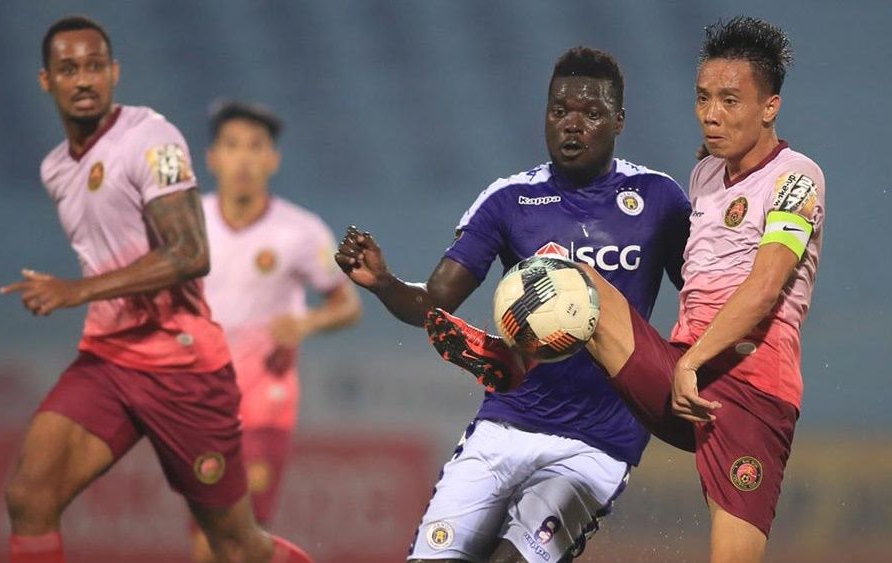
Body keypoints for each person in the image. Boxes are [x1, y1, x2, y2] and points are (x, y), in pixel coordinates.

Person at [427, 17, 823, 563]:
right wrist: (683, 361)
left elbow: (761, 291)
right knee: (576, 279)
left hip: (747, 394)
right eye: (703, 97)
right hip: (680, 371)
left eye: (730, 101)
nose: (711, 114)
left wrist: (692, 362)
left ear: (770, 107)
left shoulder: (798, 178)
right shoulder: (706, 175)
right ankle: (514, 356)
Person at [336, 47, 692, 563]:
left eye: (591, 114)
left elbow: (702, 298)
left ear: (618, 121)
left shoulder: (658, 199)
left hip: (598, 443)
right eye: (559, 111)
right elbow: (435, 302)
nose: (572, 125)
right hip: (506, 425)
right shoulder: (509, 200)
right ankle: (508, 356)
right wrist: (384, 282)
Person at [0, 16, 310, 563]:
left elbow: (191, 254)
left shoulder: (150, 140)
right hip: (110, 360)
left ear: (114, 72)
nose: (84, 79)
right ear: (46, 80)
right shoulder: (55, 170)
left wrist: (79, 291)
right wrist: (91, 299)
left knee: (234, 547)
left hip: (184, 369)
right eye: (68, 69)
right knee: (29, 496)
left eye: (95, 66)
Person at [190, 100, 361, 560]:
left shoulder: (300, 232)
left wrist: (307, 322)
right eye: (232, 146)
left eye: (254, 147)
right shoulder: (187, 225)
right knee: (206, 538)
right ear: (212, 158)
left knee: (240, 526)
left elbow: (348, 305)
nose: (243, 159)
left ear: (272, 159)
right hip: (199, 400)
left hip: (265, 400)